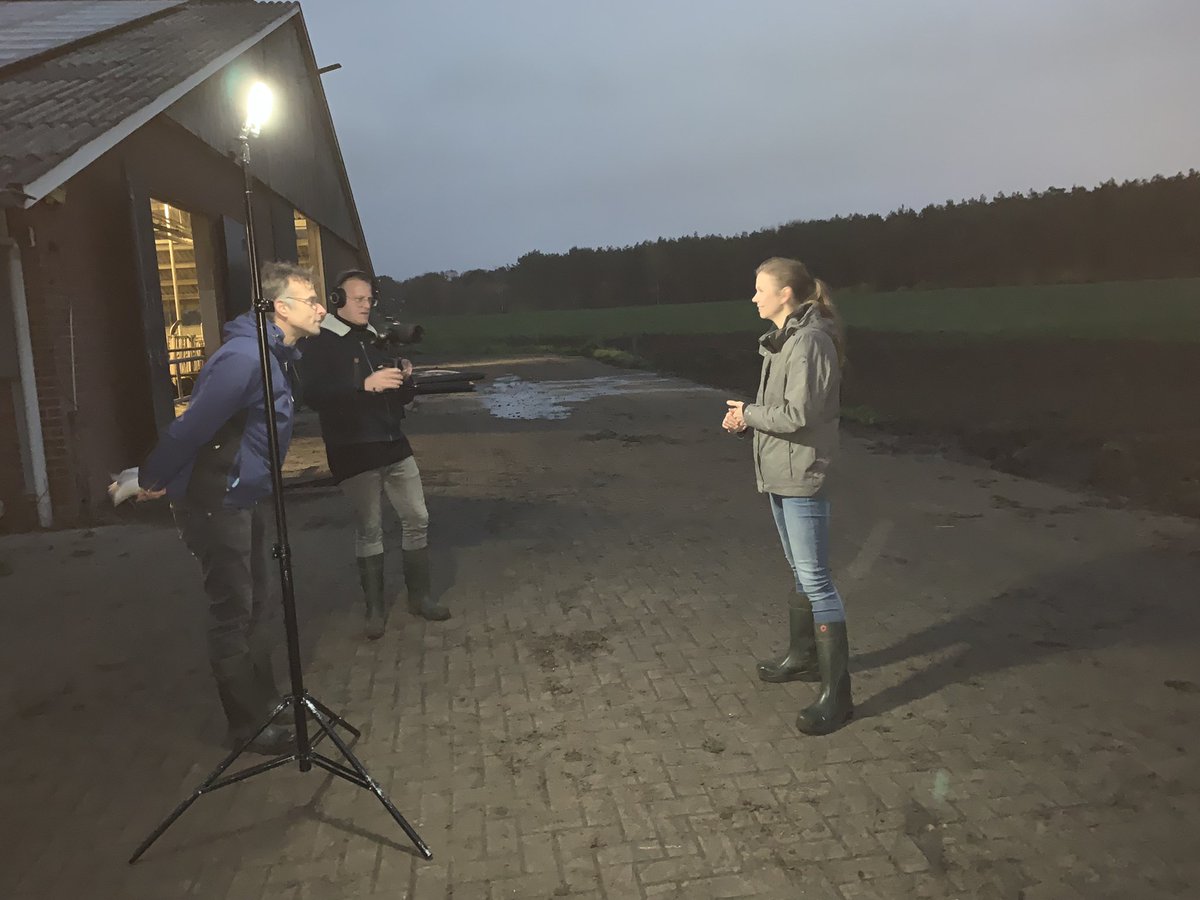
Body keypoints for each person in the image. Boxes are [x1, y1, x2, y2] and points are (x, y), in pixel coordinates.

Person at [129, 261, 325, 754]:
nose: (323, 308)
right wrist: (153, 476)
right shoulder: (244, 358)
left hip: (240, 494)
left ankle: (268, 704)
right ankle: (246, 726)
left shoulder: (274, 354)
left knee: (259, 603)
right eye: (312, 300)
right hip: (216, 499)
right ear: (281, 308)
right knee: (234, 609)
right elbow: (193, 426)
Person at [723, 257, 853, 736]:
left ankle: (838, 696)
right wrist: (745, 420)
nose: (753, 297)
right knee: (801, 573)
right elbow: (778, 411)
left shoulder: (810, 342)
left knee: (817, 581)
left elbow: (798, 414)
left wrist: (751, 414)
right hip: (780, 471)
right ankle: (803, 659)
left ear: (786, 294)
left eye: (760, 289)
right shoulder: (783, 343)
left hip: (802, 474)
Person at [297, 269, 448, 641]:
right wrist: (362, 385)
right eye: (360, 298)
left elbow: (399, 396)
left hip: (394, 442)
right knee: (370, 530)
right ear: (337, 300)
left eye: (370, 299)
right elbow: (313, 395)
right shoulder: (319, 342)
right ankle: (375, 611)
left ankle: (420, 598)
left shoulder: (375, 340)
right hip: (354, 449)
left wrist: (404, 379)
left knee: (417, 517)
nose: (367, 305)